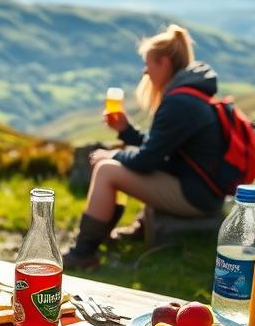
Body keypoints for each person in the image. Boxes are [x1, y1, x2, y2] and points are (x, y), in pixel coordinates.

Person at [62, 24, 225, 270]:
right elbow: (159, 148)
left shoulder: (179, 102)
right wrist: (126, 131)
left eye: (148, 64)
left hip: (196, 196)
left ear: (165, 63)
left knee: (107, 170)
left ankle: (84, 252)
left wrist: (114, 153)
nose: (145, 71)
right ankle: (121, 234)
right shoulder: (189, 94)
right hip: (200, 188)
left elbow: (147, 160)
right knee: (115, 165)